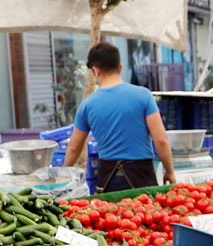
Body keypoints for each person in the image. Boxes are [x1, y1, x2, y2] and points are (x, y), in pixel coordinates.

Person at [63, 42, 175, 192]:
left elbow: (74, 148)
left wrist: (62, 173)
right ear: (120, 67)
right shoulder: (143, 96)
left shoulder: (87, 105)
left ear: (96, 71)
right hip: (142, 178)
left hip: (109, 181)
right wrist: (170, 171)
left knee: (113, 215)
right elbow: (161, 140)